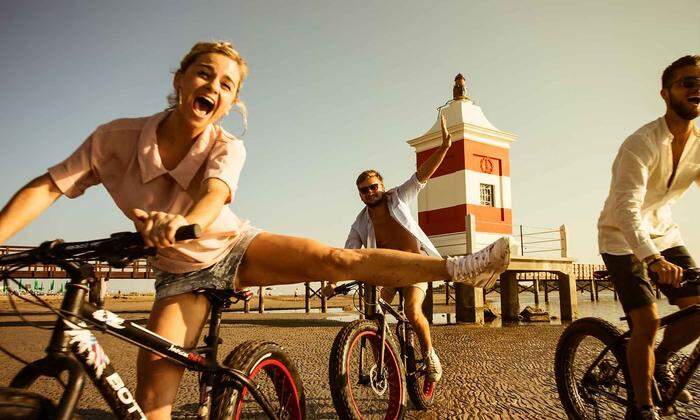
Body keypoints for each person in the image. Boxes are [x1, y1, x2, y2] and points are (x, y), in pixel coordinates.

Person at [0, 41, 512, 419]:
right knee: (152, 409)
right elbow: (47, 186)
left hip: (234, 246)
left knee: (338, 260)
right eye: (204, 75)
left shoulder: (228, 145)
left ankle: (461, 268)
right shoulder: (113, 140)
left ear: (231, 104)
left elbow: (213, 199)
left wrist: (182, 223)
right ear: (180, 80)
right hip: (179, 274)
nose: (214, 88)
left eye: (227, 85)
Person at [597, 55, 700, 420]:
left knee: (699, 309)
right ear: (665, 93)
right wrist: (653, 259)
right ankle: (641, 406)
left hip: (665, 231)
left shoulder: (699, 145)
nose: (696, 88)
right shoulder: (641, 143)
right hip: (621, 238)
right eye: (687, 82)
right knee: (648, 321)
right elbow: (626, 209)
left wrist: (662, 251)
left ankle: (662, 360)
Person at [340, 113, 474, 384]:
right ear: (360, 194)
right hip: (388, 274)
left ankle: (429, 354)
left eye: (373, 187)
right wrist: (336, 280)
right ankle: (385, 363)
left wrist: (445, 147)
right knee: (371, 315)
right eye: (364, 190)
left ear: (382, 186)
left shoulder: (397, 198)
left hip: (416, 266)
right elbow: (348, 253)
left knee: (413, 312)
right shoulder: (360, 221)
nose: (370, 193)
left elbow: (421, 176)